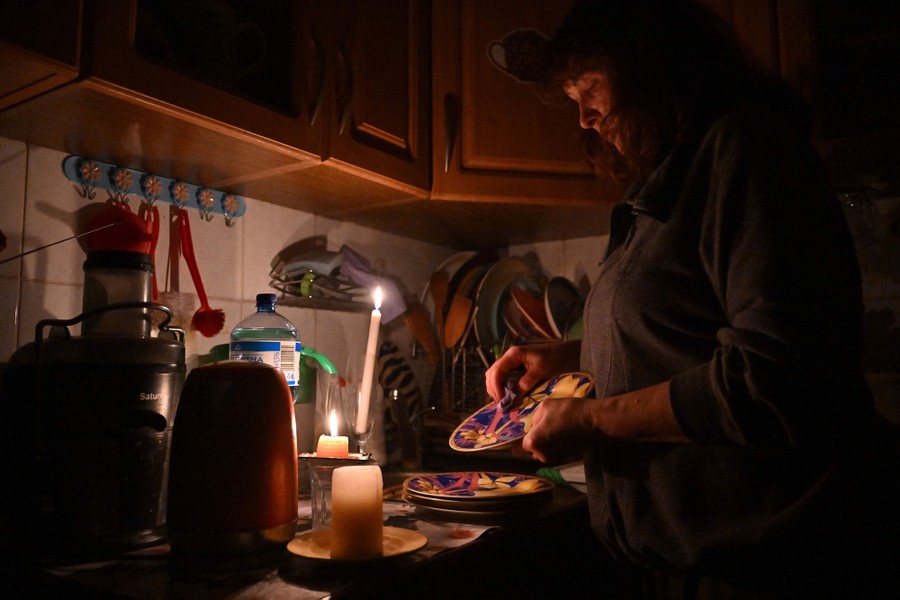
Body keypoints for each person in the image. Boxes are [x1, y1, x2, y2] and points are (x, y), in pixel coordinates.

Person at [485, 1, 900, 597]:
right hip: (683, 563)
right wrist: (573, 358)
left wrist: (594, 420)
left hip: (770, 564)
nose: (583, 118)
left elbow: (773, 378)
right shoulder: (671, 179)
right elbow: (684, 336)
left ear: (650, 67)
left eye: (592, 87)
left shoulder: (749, 149)